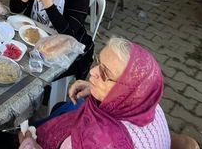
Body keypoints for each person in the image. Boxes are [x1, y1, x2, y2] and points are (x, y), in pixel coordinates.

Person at [29, 37, 169, 149]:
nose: (92, 72)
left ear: (127, 91)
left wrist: (28, 143)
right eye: (98, 62)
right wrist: (95, 89)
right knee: (66, 106)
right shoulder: (148, 103)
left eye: (105, 73)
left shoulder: (91, 142)